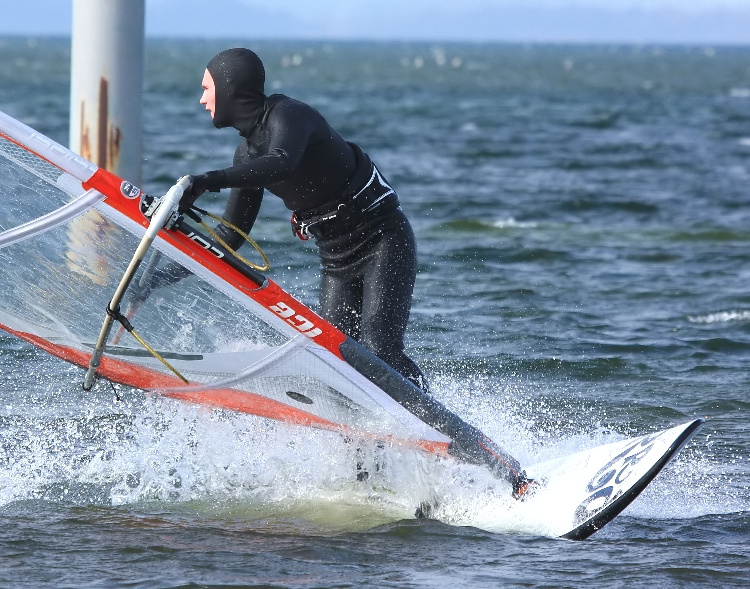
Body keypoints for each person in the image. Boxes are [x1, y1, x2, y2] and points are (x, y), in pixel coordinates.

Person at [179, 48, 534, 499]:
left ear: (230, 88)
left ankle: (482, 458)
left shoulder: (291, 117)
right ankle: (368, 473)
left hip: (383, 240)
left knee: (379, 353)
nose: (201, 99)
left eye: (207, 88)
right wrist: (162, 273)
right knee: (343, 367)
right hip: (337, 262)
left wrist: (207, 180)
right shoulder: (245, 154)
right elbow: (228, 245)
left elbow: (284, 162)